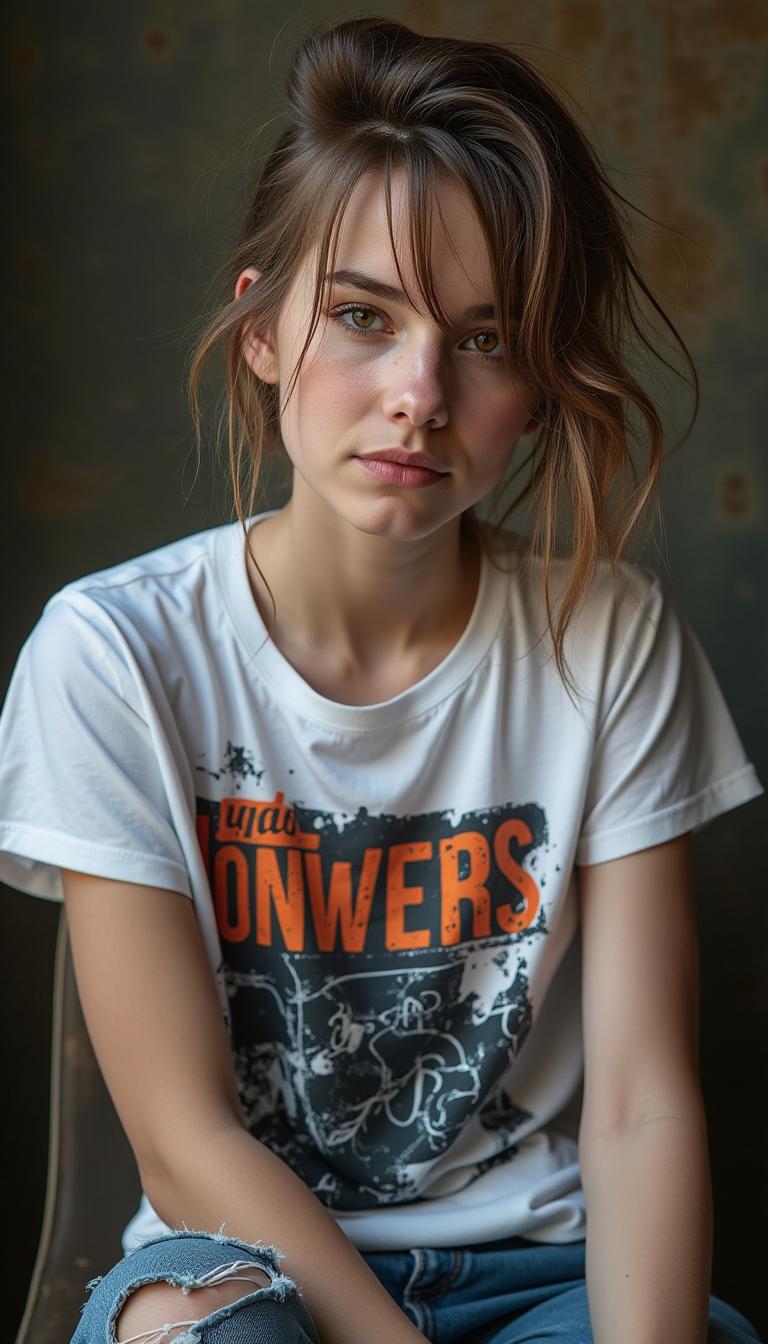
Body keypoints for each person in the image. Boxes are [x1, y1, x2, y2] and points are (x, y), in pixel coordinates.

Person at [1, 15, 764, 1344]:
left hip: (543, 1279)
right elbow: (183, 1136)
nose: (417, 392)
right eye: (362, 317)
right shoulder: (115, 653)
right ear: (259, 329)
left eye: (485, 338)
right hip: (232, 1268)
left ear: (534, 387)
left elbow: (642, 1100)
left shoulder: (610, 638)